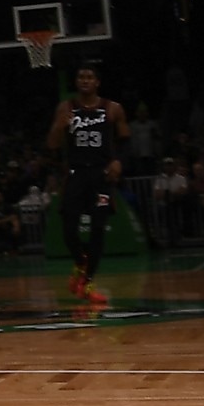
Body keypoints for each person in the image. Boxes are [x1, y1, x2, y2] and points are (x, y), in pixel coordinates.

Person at [46, 67, 127, 306]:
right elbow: (51, 145)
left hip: (101, 175)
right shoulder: (66, 108)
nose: (85, 80)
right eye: (81, 77)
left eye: (89, 77)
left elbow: (126, 140)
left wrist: (118, 161)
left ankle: (88, 282)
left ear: (97, 82)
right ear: (76, 82)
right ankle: (81, 263)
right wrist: (59, 126)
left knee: (98, 229)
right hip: (75, 174)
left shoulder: (112, 108)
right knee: (69, 229)